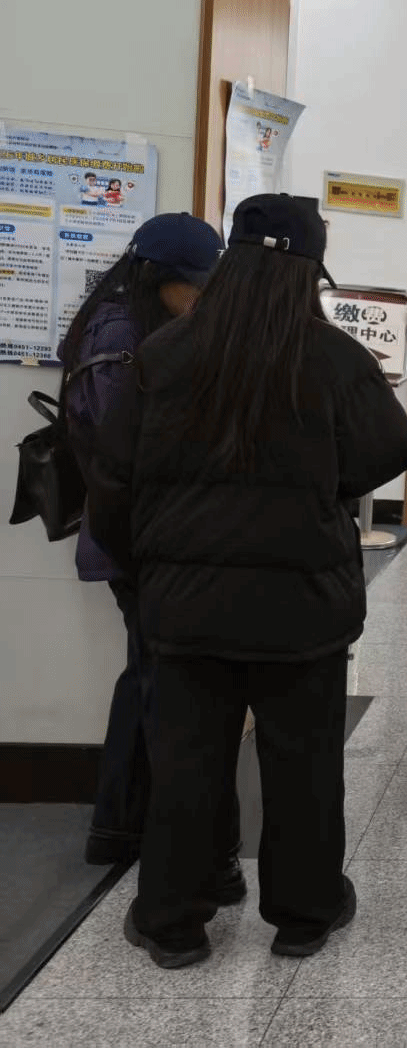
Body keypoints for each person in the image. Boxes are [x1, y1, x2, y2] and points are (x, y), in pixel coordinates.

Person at [86, 194, 407, 969]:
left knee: (187, 764)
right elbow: (393, 447)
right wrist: (325, 486)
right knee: (304, 765)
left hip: (187, 608)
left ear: (231, 258)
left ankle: (173, 922)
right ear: (309, 270)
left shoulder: (165, 354)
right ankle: (304, 913)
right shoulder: (334, 358)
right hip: (303, 609)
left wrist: (150, 571)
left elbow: (113, 482)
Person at [62, 213, 224, 870]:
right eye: (197, 286)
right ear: (159, 277)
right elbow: (127, 453)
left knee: (150, 671)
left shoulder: (131, 324)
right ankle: (123, 824)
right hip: (136, 538)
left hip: (143, 533)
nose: (203, 298)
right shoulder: (121, 338)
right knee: (155, 677)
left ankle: (123, 824)